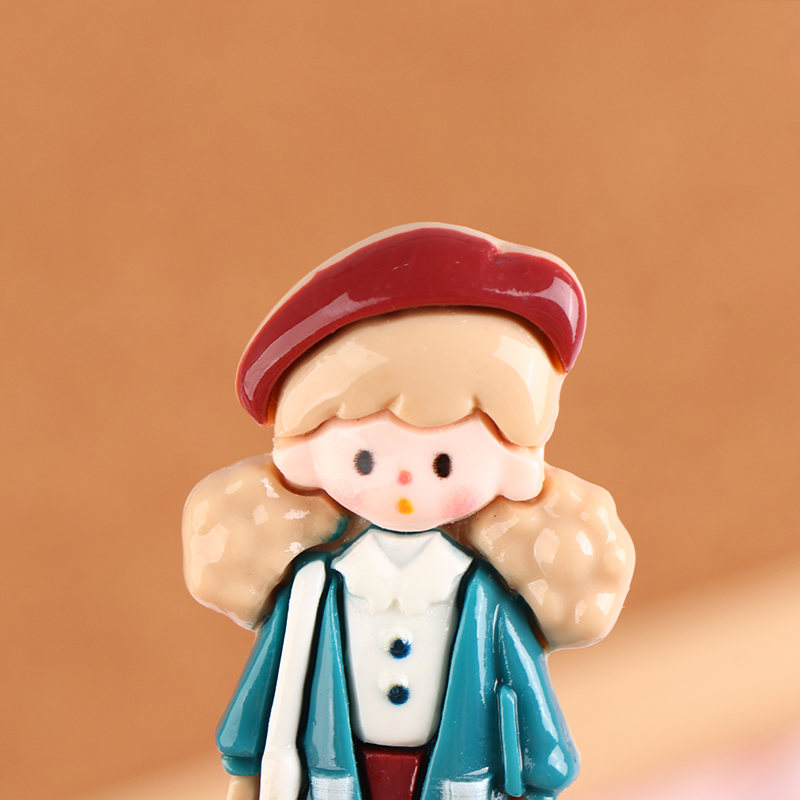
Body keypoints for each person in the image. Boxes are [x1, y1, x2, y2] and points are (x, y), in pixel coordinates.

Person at [182, 224, 634, 800]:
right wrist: (245, 770)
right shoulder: (312, 591)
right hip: (333, 781)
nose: (403, 483)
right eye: (365, 459)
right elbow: (267, 687)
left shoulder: (484, 599)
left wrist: (541, 774)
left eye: (444, 463)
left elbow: (528, 701)